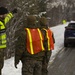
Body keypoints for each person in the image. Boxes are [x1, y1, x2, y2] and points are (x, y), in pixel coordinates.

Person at [0, 6, 17, 75]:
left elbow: (8, 18)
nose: (6, 15)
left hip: (2, 48)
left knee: (1, 65)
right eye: (5, 14)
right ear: (1, 15)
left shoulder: (2, 21)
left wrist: (12, 13)